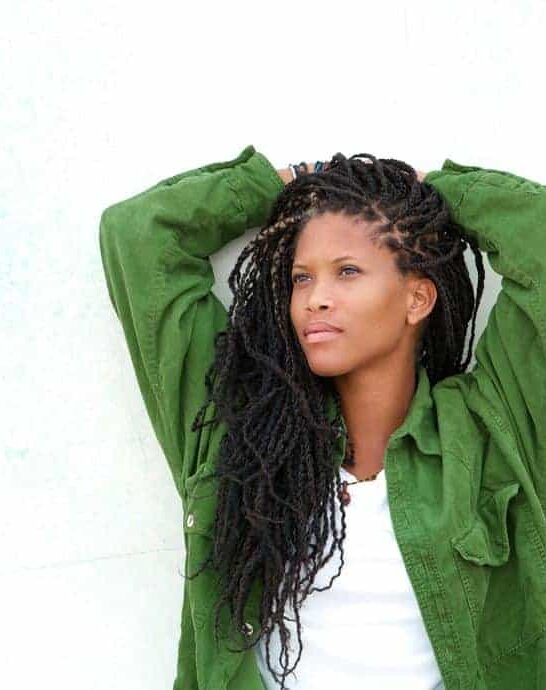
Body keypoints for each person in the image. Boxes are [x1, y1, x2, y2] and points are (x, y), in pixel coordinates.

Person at [98, 145, 546, 690]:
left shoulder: (490, 429)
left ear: (418, 298)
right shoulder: (238, 433)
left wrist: (429, 189)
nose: (316, 299)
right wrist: (279, 182)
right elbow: (138, 237)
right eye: (302, 278)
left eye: (348, 271)